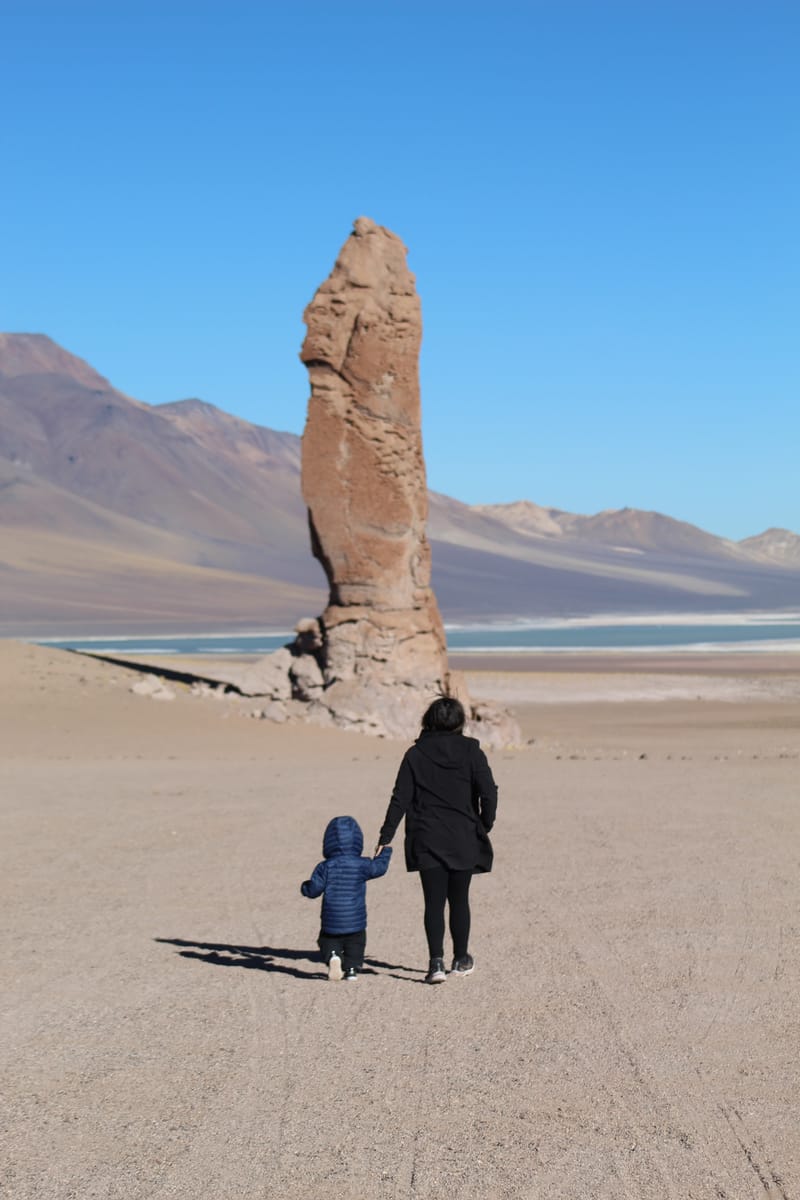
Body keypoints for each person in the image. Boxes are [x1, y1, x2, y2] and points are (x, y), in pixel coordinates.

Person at [376, 696, 498, 984]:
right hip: (463, 837)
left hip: (427, 837)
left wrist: (386, 835)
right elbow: (488, 792)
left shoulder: (415, 755)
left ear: (428, 720)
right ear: (459, 722)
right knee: (459, 900)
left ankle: (436, 963)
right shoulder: (472, 752)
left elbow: (400, 798)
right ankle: (461, 957)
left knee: (433, 902)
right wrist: (484, 824)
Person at [301, 815, 392, 981]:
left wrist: (305, 888)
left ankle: (333, 956)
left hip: (331, 918)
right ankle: (351, 969)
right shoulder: (362, 864)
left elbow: (315, 889)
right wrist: (384, 851)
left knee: (327, 939)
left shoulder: (325, 866)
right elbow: (379, 868)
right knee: (356, 942)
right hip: (355, 918)